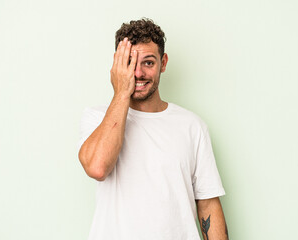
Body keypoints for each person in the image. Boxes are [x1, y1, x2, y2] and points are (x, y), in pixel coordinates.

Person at [78, 18, 229, 240]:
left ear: (163, 62)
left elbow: (208, 204)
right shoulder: (97, 118)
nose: (137, 73)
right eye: (129, 63)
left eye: (148, 62)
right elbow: (98, 167)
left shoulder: (192, 126)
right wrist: (121, 92)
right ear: (118, 65)